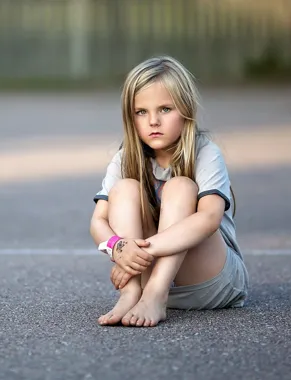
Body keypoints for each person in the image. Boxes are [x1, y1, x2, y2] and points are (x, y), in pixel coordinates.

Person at [90, 56, 249, 327]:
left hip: (212, 281)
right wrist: (119, 248)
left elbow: (209, 219)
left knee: (180, 186)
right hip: (145, 278)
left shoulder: (205, 152)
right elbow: (98, 222)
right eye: (141, 112)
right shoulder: (125, 157)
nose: (153, 121)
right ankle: (132, 292)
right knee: (125, 188)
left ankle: (155, 293)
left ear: (185, 109)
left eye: (165, 109)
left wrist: (143, 251)